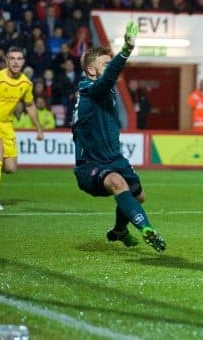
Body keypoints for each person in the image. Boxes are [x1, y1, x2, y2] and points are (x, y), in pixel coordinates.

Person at [72, 21, 165, 252]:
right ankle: (148, 230)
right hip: (90, 165)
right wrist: (125, 51)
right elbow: (107, 78)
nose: (111, 66)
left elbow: (108, 79)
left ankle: (119, 231)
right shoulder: (90, 89)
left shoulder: (104, 89)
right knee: (117, 183)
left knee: (138, 196)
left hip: (115, 159)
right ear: (92, 70)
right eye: (106, 63)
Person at [0, 47, 44, 211]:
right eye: (12, 58)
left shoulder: (25, 83)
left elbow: (29, 105)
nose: (15, 61)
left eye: (19, 58)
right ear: (6, 61)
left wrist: (38, 129)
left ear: (23, 62)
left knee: (10, 168)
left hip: (7, 124)